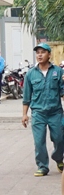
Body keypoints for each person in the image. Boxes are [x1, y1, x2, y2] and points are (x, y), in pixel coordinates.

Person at [22, 43, 64, 177]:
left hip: (55, 112)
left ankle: (58, 158)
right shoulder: (30, 74)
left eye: (43, 52)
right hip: (38, 113)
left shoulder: (58, 71)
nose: (39, 55)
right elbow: (26, 96)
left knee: (59, 138)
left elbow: (63, 92)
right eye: (38, 52)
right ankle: (42, 166)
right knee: (39, 141)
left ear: (49, 55)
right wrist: (24, 114)